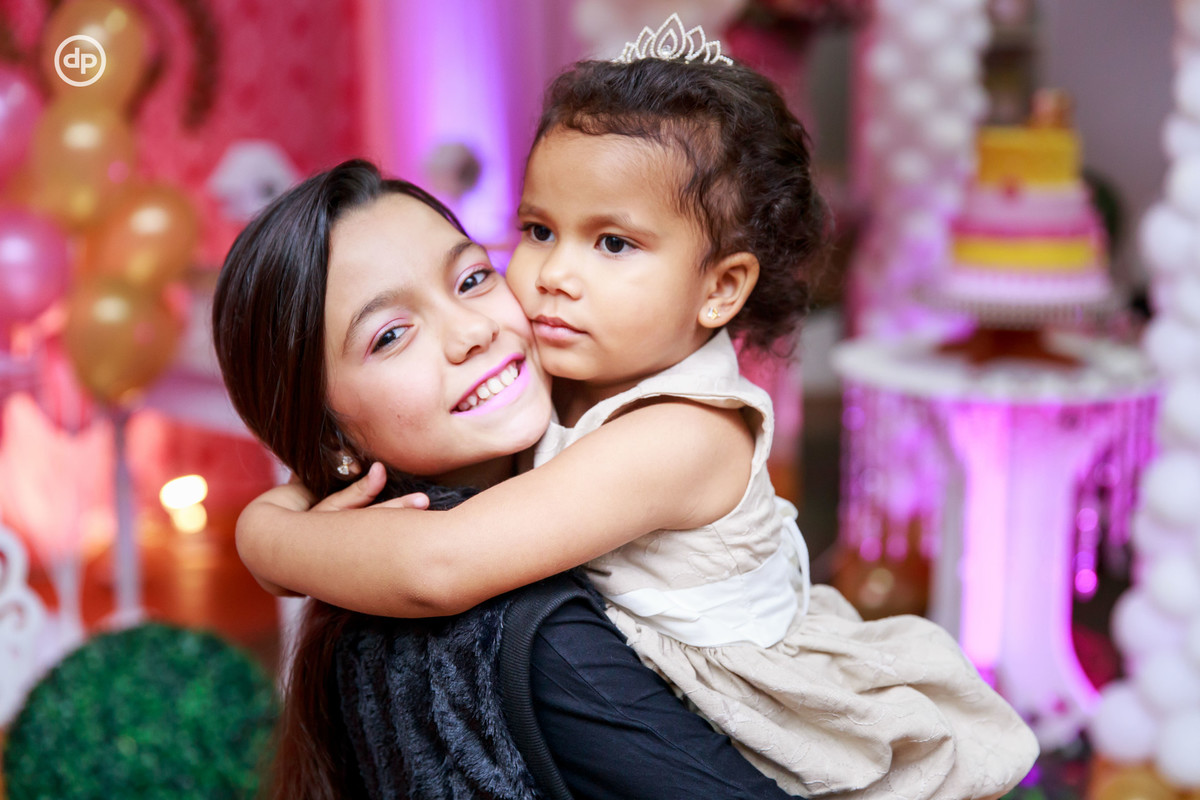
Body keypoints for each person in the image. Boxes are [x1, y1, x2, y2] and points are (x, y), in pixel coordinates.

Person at [238, 19, 1039, 799]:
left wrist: (268, 544)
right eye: (538, 231)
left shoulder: (683, 433)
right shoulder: (554, 367)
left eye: (613, 244)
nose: (553, 275)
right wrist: (282, 508)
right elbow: (343, 476)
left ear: (721, 288)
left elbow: (438, 565)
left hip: (775, 736)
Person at [212, 161, 804, 799]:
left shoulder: (662, 426)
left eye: (472, 279)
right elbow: (436, 563)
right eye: (391, 335)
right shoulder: (528, 634)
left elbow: (436, 561)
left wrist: (267, 539)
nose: (474, 331)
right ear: (330, 436)